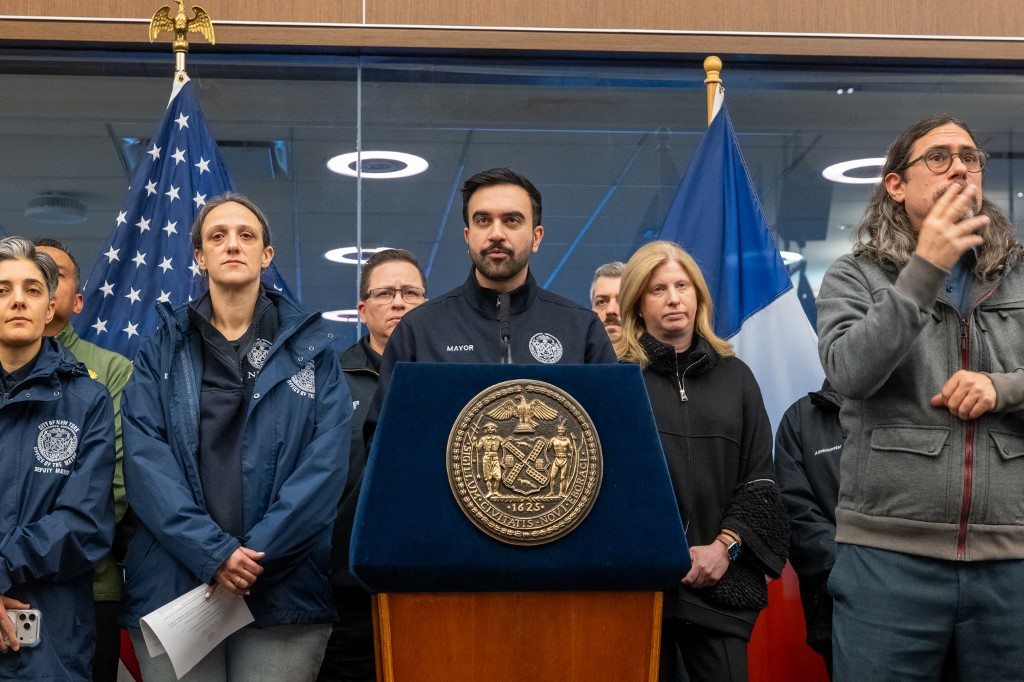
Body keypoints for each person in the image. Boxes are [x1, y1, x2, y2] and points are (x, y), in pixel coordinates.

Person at [817, 115, 1024, 681]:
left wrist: (1002, 388)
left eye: (970, 157)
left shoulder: (1021, 274)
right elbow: (849, 372)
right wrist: (923, 269)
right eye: (938, 157)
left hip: (1012, 561)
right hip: (888, 559)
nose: (960, 166)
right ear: (896, 185)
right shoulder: (853, 276)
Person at [120, 192, 352, 681]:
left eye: (246, 236)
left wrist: (250, 559)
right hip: (177, 584)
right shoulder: (159, 349)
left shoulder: (314, 351)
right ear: (199, 256)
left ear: (267, 255)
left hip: (283, 585)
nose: (233, 245)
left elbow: (326, 466)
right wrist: (214, 553)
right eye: (217, 236)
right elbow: (146, 464)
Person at [614, 240, 788, 682]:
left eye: (682, 285)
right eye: (657, 289)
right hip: (642, 590)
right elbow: (607, 486)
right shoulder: (617, 382)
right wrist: (659, 554)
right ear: (636, 304)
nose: (674, 298)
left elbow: (759, 482)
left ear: (698, 297)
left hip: (720, 585)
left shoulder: (738, 377)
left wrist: (723, 547)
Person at [370, 167, 616, 419]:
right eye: (483, 220)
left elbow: (614, 433)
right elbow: (383, 443)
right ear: (468, 237)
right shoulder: (419, 331)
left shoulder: (581, 330)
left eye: (512, 220)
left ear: (536, 237)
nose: (496, 234)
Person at [0, 236, 115, 681]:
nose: (17, 301)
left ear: (50, 309)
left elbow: (85, 523)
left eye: (32, 290)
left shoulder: (88, 399)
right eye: (3, 290)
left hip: (50, 638)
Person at [319, 248, 426, 682]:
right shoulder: (329, 379)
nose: (398, 302)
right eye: (385, 293)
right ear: (363, 310)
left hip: (428, 580)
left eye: (410, 293)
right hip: (348, 585)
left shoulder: (448, 379)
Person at [33, 237, 133, 682]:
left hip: (90, 584)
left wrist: (23, 556)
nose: (45, 283)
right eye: (37, 274)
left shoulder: (110, 370)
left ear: (76, 301)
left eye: (58, 274)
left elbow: (115, 484)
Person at [773, 381, 843, 679]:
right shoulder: (800, 419)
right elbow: (795, 511)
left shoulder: (915, 406)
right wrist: (858, 570)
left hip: (929, 595)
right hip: (838, 602)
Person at [590, 261, 625, 342]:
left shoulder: (657, 353)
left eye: (622, 300)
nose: (610, 310)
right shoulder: (573, 353)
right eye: (601, 302)